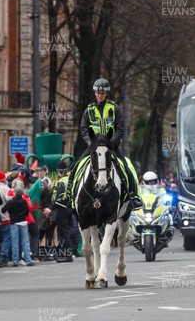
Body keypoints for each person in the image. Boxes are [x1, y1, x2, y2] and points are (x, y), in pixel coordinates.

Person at [67, 78, 142, 210]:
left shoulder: (114, 108)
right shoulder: (88, 110)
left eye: (102, 93)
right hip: (94, 147)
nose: (99, 95)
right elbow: (84, 129)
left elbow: (120, 128)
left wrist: (112, 142)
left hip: (111, 147)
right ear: (95, 93)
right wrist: (90, 142)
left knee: (127, 168)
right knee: (76, 167)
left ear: (106, 94)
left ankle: (134, 196)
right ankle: (67, 196)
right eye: (97, 93)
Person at [45, 161, 74, 263]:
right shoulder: (69, 180)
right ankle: (66, 254)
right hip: (69, 208)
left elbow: (60, 197)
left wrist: (51, 208)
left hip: (61, 209)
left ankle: (67, 255)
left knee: (63, 233)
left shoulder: (61, 182)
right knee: (67, 232)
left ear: (60, 171)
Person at [1, 185, 34, 267]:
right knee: (25, 242)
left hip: (14, 223)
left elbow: (3, 210)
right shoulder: (24, 201)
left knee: (15, 242)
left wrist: (10, 211)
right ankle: (28, 260)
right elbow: (27, 212)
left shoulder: (11, 202)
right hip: (23, 222)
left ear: (15, 193)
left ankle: (15, 260)